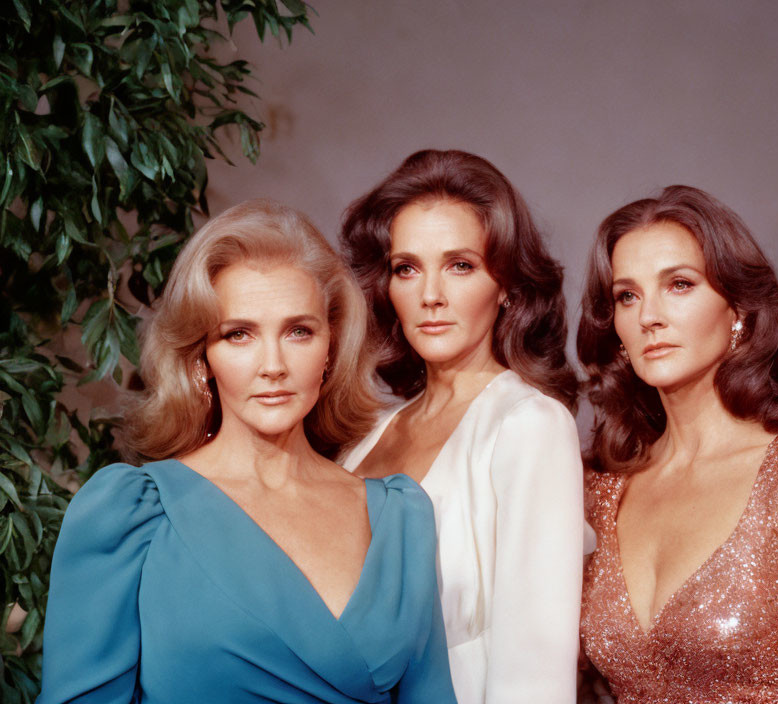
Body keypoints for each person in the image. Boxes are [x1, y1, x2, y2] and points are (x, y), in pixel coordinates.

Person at [38, 199, 457, 703]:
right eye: (239, 335)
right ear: (201, 359)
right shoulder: (130, 515)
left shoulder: (400, 518)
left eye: (298, 331)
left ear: (331, 347)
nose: (273, 365)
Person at [577, 185, 778, 703]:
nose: (648, 316)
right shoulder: (606, 489)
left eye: (679, 284)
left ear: (738, 310)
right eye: (626, 296)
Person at [340, 149, 584, 704]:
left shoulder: (530, 425)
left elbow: (536, 673)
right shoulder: (363, 439)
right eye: (407, 268)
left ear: (507, 286)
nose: (430, 295)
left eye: (460, 265)